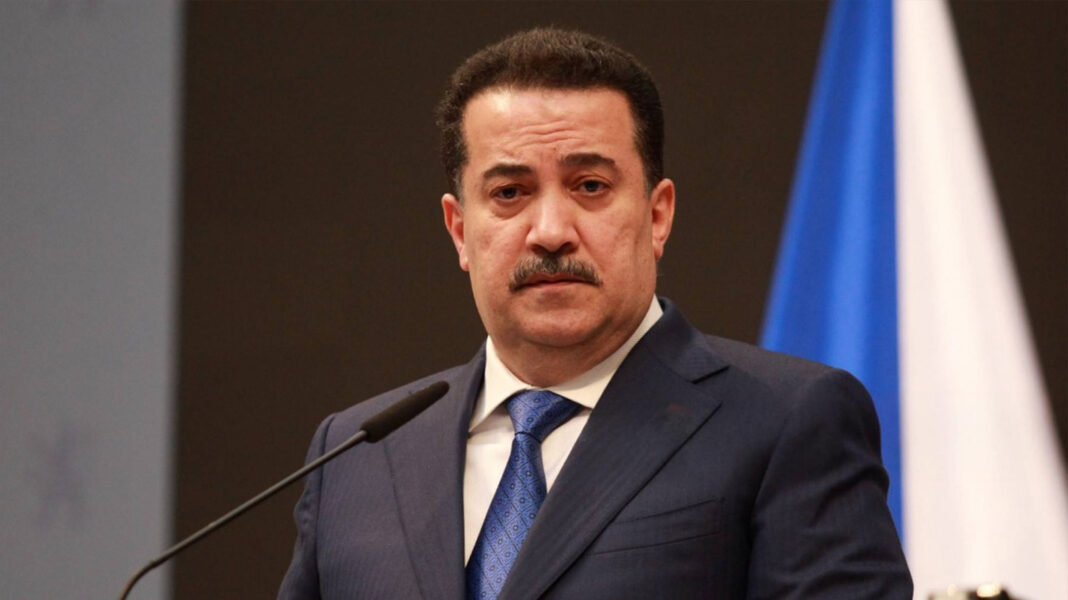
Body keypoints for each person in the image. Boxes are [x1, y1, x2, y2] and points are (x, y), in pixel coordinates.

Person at [279, 28, 911, 600]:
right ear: (459, 230)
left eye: (590, 186)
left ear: (657, 215)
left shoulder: (786, 421)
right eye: (509, 193)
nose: (551, 231)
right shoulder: (356, 454)